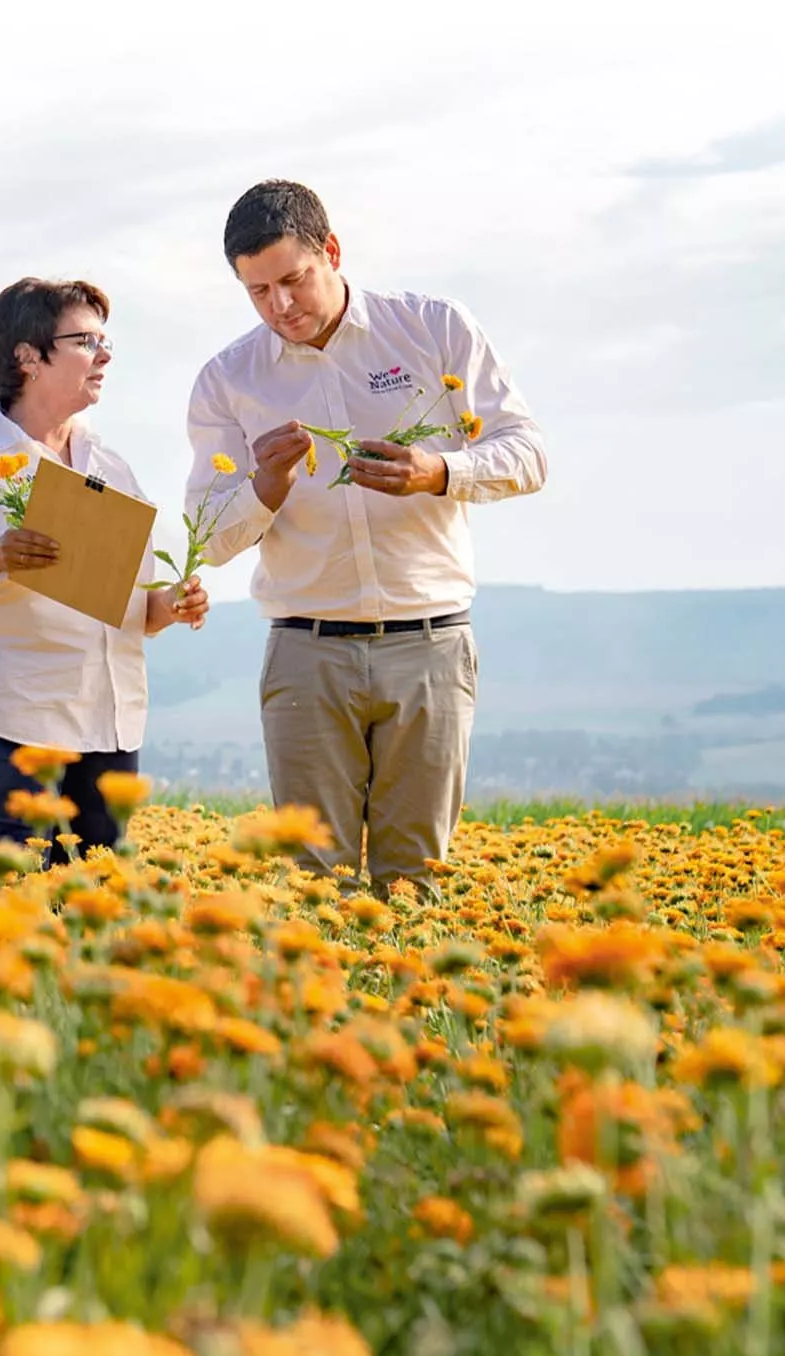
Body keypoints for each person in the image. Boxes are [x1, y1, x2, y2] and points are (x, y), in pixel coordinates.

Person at [183, 179, 548, 894]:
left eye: (293, 279)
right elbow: (205, 534)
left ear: (334, 252)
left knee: (417, 884)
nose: (280, 306)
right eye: (257, 292)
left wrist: (438, 471)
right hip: (305, 653)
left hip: (430, 644)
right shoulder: (227, 380)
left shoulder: (433, 328)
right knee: (312, 887)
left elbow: (529, 455)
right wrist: (265, 487)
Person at [0, 276, 210, 868]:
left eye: (104, 340)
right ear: (28, 357)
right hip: (3, 722)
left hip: (107, 725)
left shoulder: (112, 466)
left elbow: (131, 607)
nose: (106, 355)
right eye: (86, 341)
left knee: (93, 922)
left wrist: (170, 606)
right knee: (8, 913)